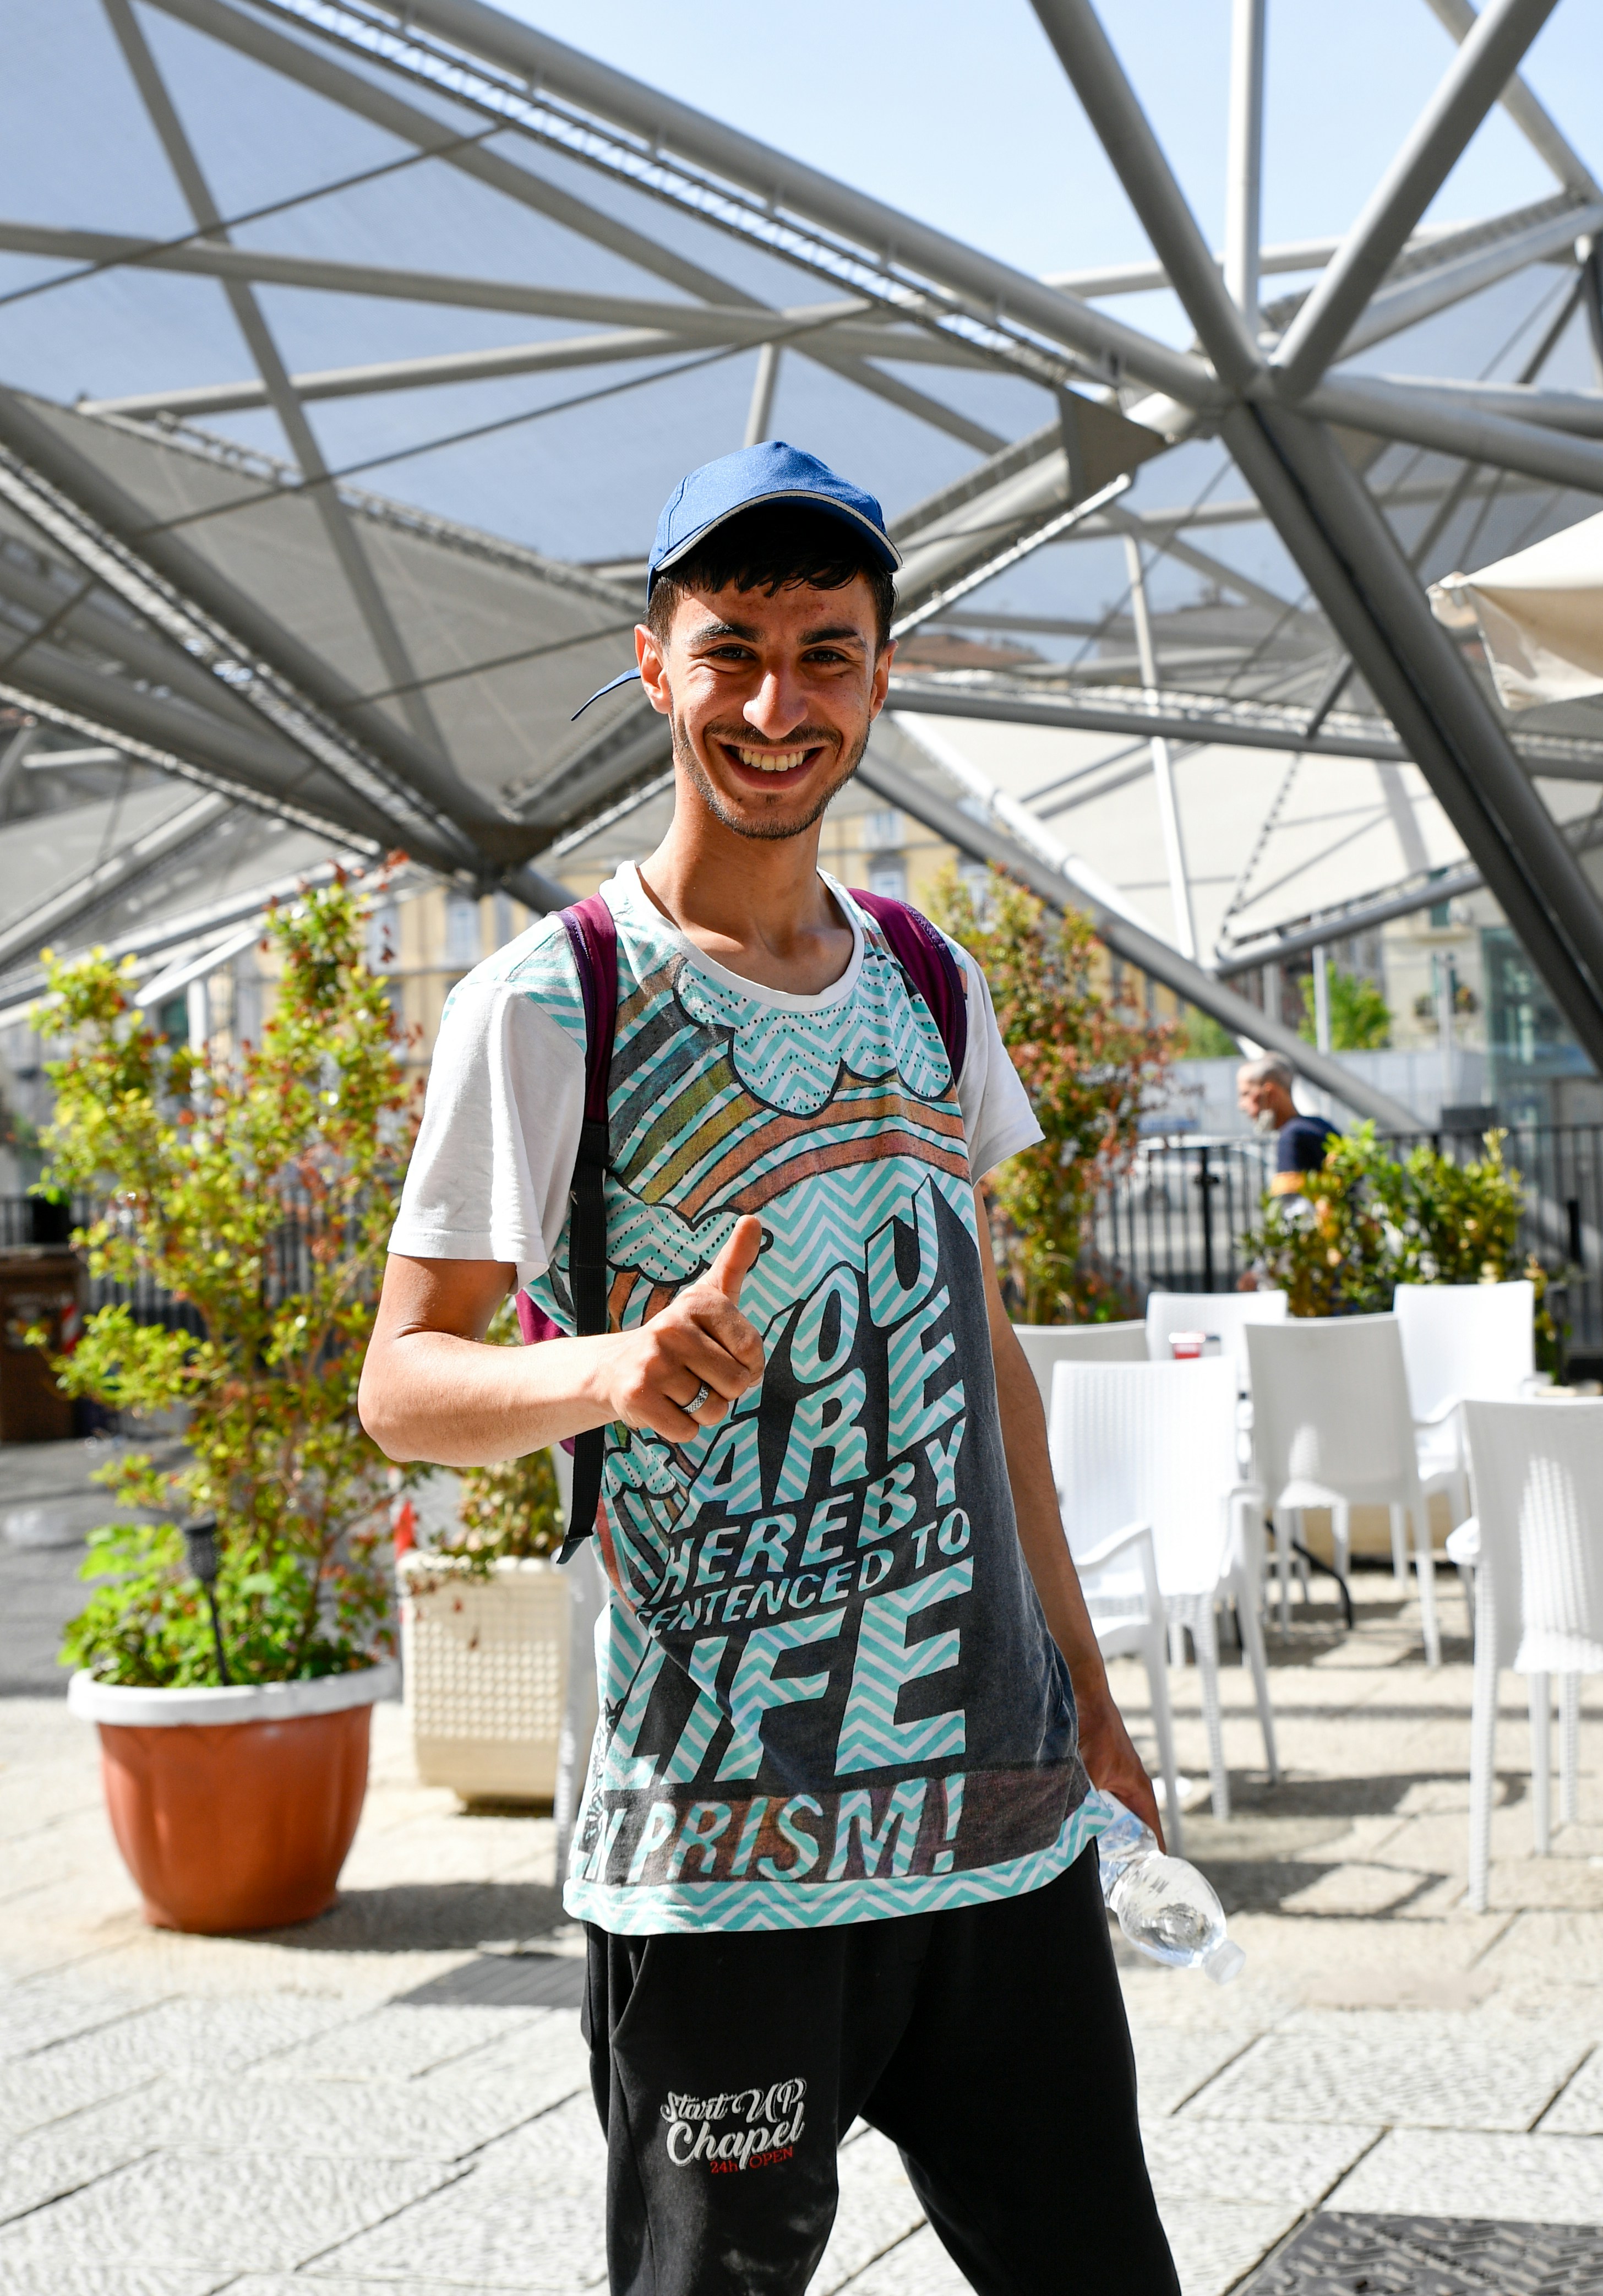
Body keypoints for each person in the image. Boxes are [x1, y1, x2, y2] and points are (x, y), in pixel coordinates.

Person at [359, 441, 1179, 2296]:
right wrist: (609, 1373)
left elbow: (991, 1375)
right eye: (731, 649)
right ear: (653, 666)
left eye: (827, 653)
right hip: (719, 1849)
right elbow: (402, 1383)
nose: (775, 703)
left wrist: (1095, 1706)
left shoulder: (926, 980)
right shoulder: (554, 999)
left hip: (991, 1811)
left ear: (882, 678)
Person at [1236, 1053, 1340, 1196]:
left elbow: (1293, 1210)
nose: (1241, 1105)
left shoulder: (1292, 1137)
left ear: (1271, 1093)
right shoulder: (1319, 1125)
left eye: (1246, 1094)